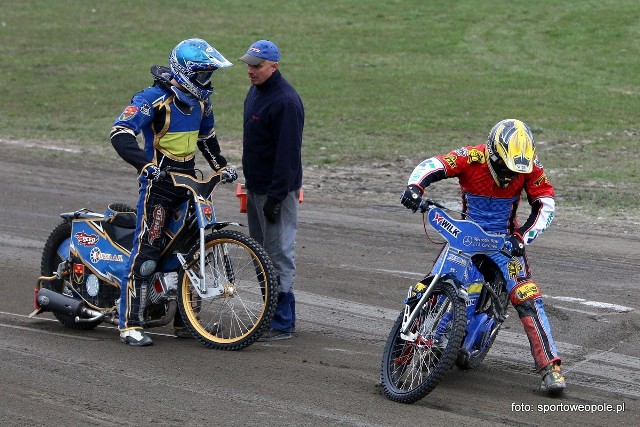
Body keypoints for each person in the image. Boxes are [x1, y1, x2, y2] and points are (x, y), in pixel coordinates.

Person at [400, 119, 566, 395]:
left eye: (517, 170)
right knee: (431, 287)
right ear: (492, 152)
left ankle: (550, 368)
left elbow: (546, 205)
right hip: (464, 236)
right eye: (505, 166)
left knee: (526, 295)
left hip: (504, 242)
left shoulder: (531, 165)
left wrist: (522, 236)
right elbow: (434, 164)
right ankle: (403, 353)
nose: (511, 174)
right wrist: (415, 188)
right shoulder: (471, 156)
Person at [110, 38, 237, 346]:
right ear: (185, 72)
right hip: (159, 186)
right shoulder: (153, 98)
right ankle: (130, 323)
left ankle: (186, 323)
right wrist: (144, 166)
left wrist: (221, 167)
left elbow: (207, 138)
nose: (206, 81)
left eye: (209, 74)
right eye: (202, 74)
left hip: (190, 183)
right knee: (148, 251)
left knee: (195, 249)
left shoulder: (202, 103)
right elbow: (120, 132)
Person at [238, 40, 304, 341]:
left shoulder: (285, 101)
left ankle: (282, 321)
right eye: (249, 65)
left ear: (273, 66)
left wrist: (276, 198)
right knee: (259, 252)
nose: (251, 71)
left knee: (278, 254)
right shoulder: (255, 92)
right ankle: (269, 314)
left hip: (276, 192)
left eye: (257, 66)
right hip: (256, 188)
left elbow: (288, 156)